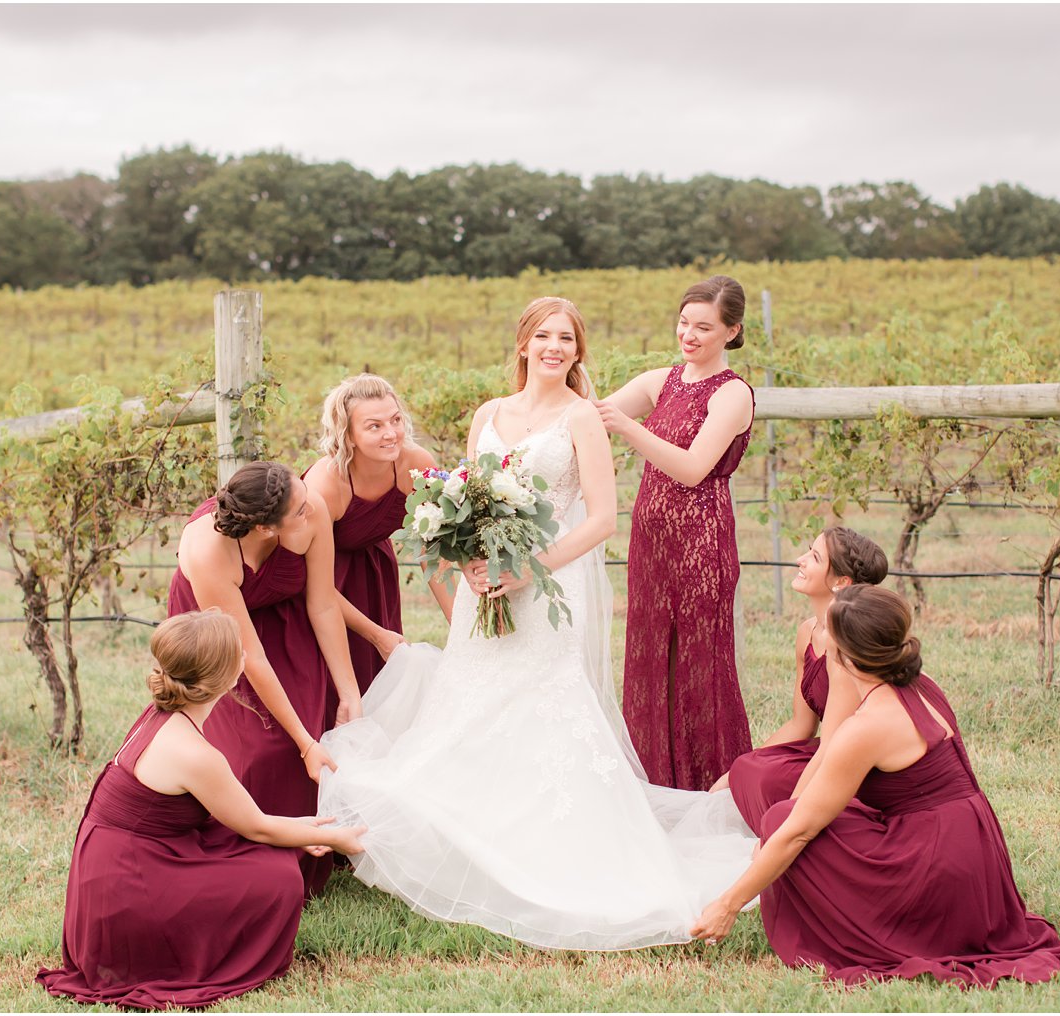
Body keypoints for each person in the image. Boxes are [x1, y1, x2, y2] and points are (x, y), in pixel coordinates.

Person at [316, 297, 757, 950]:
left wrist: (528, 570)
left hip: (550, 580)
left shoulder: (582, 418)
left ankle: (557, 844)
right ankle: (471, 835)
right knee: (474, 698)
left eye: (567, 339)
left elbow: (602, 518)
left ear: (578, 352)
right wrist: (469, 561)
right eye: (543, 336)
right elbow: (462, 500)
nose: (554, 347)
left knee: (538, 702)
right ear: (522, 344)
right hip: (482, 585)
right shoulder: (489, 415)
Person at [689, 586, 1060, 988]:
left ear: (842, 657)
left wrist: (729, 904)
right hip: (976, 849)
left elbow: (799, 829)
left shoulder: (867, 726)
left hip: (935, 862)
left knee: (783, 823)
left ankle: (892, 928)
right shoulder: (921, 683)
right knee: (791, 818)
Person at [35, 610, 365, 1010]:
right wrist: (332, 837)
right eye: (239, 649)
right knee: (280, 879)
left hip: (116, 869)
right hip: (128, 891)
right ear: (227, 679)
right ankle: (174, 952)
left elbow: (242, 820)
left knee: (265, 851)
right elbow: (258, 826)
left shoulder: (163, 714)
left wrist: (304, 831)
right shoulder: (194, 753)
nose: (247, 650)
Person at [167, 460, 361, 899]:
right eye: (298, 509)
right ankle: (247, 865)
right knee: (263, 748)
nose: (311, 506)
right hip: (218, 633)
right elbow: (248, 655)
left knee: (312, 728)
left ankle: (309, 865)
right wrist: (303, 743)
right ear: (266, 529)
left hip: (282, 611)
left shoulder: (310, 509)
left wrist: (347, 693)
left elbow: (324, 605)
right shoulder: (207, 552)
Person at [595, 275, 757, 791]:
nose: (689, 334)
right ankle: (652, 787)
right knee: (646, 664)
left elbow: (691, 468)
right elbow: (589, 416)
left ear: (731, 331)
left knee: (697, 673)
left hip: (701, 547)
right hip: (651, 546)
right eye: (684, 322)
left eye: (704, 327)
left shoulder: (732, 394)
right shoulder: (659, 380)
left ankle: (712, 788)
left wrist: (628, 427)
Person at [713, 527, 888, 832]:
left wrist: (787, 818)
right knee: (747, 769)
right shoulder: (807, 631)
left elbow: (834, 744)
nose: (800, 559)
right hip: (829, 747)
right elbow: (801, 725)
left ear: (840, 583)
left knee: (765, 780)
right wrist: (733, 773)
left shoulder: (844, 644)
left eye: (815, 557)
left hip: (864, 763)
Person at [303, 373, 450, 703]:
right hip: (322, 584)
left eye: (395, 420)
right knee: (332, 691)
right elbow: (316, 584)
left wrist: (460, 623)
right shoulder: (325, 485)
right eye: (374, 426)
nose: (391, 434)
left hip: (375, 575)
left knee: (381, 689)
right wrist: (377, 635)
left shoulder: (416, 464)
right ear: (349, 435)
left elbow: (434, 547)